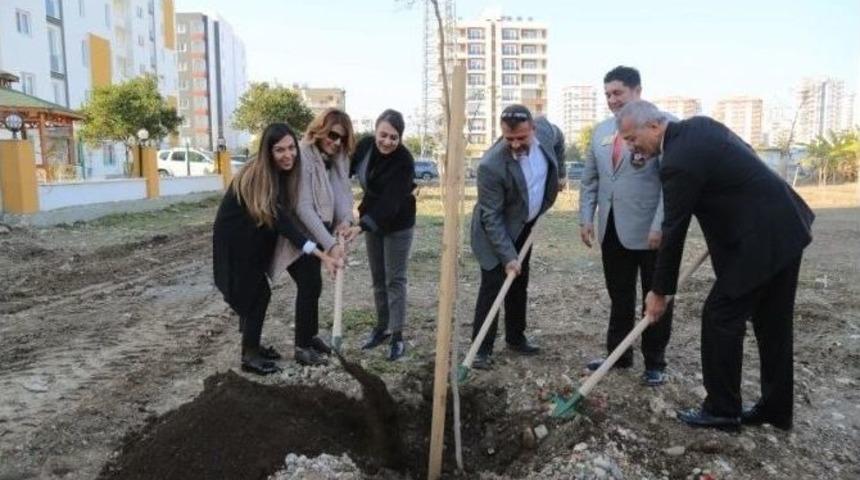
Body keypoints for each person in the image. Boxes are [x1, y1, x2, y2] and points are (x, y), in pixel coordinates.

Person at [617, 100, 815, 431]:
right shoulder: (701, 126)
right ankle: (776, 409)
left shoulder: (676, 161)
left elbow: (673, 230)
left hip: (758, 239)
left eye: (633, 138)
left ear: (653, 125)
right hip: (787, 226)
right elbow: (744, 156)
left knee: (720, 315)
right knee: (773, 323)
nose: (632, 147)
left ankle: (723, 409)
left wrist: (659, 292)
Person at [213, 122, 341, 375]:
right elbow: (284, 223)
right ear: (267, 152)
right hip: (236, 244)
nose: (288, 155)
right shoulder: (256, 175)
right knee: (257, 296)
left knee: (268, 292)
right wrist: (319, 252)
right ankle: (249, 355)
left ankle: (264, 346)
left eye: (291, 148)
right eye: (279, 150)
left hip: (255, 242)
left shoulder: (285, 172)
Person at [579, 66, 674, 386]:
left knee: (655, 295)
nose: (611, 100)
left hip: (651, 232)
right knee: (619, 295)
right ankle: (618, 355)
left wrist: (660, 225)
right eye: (607, 94)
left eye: (617, 93)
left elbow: (671, 184)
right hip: (612, 228)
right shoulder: (601, 131)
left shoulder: (659, 125)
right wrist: (585, 216)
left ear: (637, 91)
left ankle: (655, 361)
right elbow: (590, 178)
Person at [469, 104, 566, 370]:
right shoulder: (491, 165)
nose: (514, 144)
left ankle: (515, 337)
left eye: (521, 138)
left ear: (533, 129)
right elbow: (492, 218)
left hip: (526, 223)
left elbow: (560, 141)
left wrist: (561, 175)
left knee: (519, 282)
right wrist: (508, 256)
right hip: (494, 232)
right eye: (508, 138)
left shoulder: (546, 132)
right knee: (494, 284)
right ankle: (481, 349)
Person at [344, 109, 416, 361]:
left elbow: (391, 202)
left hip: (398, 223)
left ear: (400, 138)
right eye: (383, 135)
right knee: (378, 278)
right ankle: (381, 327)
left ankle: (397, 336)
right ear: (375, 131)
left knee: (394, 280)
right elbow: (345, 170)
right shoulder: (364, 146)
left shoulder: (404, 161)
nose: (387, 142)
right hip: (370, 218)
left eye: (393, 138)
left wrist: (360, 226)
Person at [291, 108, 357, 366]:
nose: (336, 142)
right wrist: (329, 245)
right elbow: (303, 207)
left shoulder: (337, 157)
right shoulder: (304, 154)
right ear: (320, 129)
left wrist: (345, 221)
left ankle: (310, 336)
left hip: (318, 233)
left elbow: (343, 193)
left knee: (312, 285)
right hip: (296, 233)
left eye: (342, 138)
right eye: (332, 134)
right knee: (308, 284)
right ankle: (301, 347)